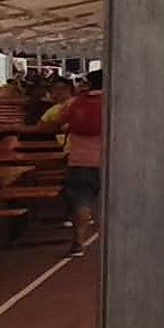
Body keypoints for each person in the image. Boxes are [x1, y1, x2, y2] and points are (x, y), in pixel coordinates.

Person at [61, 70, 104, 257]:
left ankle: (78, 241)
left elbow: (58, 120)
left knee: (81, 199)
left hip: (79, 160)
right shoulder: (117, 102)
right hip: (111, 160)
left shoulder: (73, 103)